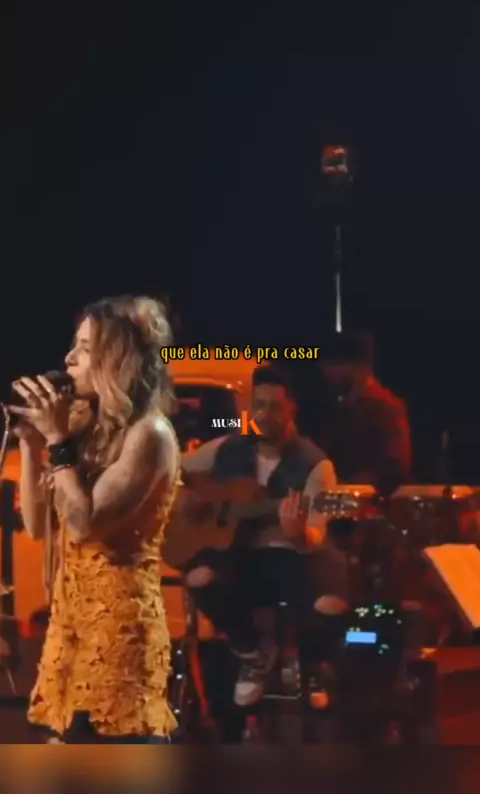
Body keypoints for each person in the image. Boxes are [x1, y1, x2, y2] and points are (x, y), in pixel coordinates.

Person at [9, 296, 179, 744]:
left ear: (115, 360)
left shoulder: (149, 435)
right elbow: (38, 527)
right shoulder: (86, 429)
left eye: (84, 349)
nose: (68, 359)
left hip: (118, 634)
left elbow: (87, 524)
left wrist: (58, 443)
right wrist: (31, 444)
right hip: (70, 626)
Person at [180, 364, 349, 707]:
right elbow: (175, 468)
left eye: (274, 407)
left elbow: (316, 533)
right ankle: (251, 653)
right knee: (199, 578)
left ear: (292, 409)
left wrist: (299, 533)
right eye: (258, 406)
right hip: (236, 554)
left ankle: (315, 664)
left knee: (330, 602)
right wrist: (189, 500)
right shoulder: (227, 447)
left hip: (289, 554)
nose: (265, 415)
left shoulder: (316, 465)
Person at [317, 331, 412, 494]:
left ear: (355, 366)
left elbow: (392, 467)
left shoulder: (385, 408)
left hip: (374, 502)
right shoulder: (342, 407)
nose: (325, 372)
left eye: (332, 365)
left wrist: (344, 488)